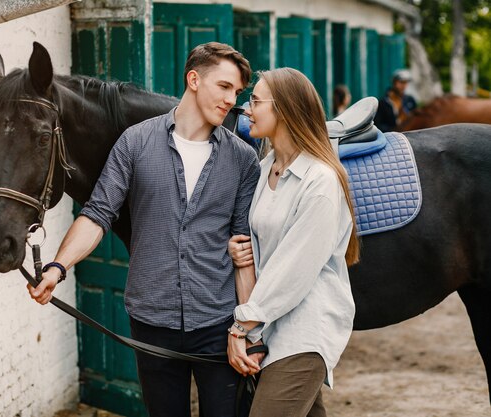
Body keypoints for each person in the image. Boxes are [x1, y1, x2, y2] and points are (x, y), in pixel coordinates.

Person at [28, 42, 261, 417]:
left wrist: (247, 330)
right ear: (194, 79)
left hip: (219, 322)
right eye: (224, 86)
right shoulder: (135, 142)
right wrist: (58, 267)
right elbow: (98, 212)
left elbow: (243, 250)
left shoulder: (243, 158)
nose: (231, 100)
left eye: (237, 92)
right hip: (153, 320)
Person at [225, 67, 360, 417]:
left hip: (303, 333)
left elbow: (293, 269)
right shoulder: (267, 165)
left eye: (255, 101)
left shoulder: (320, 181)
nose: (246, 109)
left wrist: (242, 326)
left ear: (283, 109)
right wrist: (242, 253)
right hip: (272, 328)